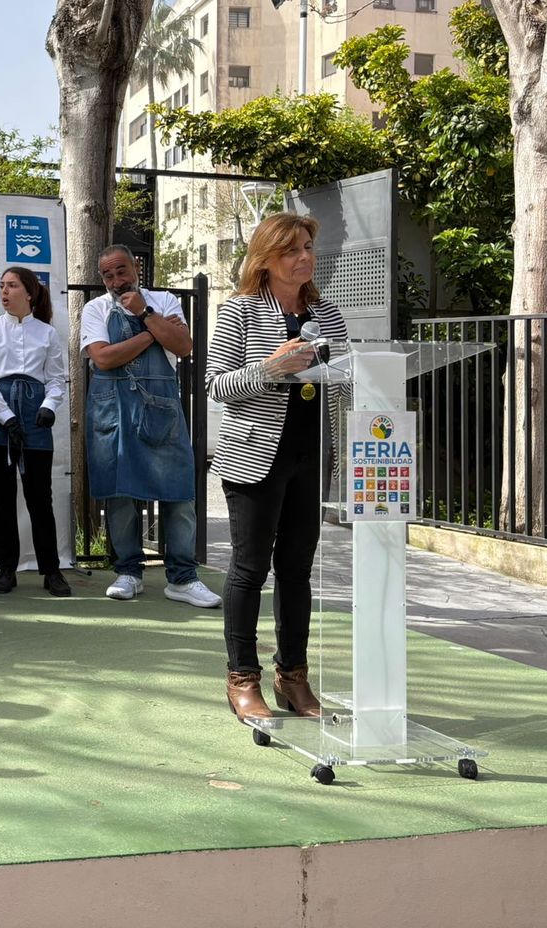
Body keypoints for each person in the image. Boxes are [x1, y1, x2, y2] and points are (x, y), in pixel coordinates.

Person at [205, 211, 348, 723]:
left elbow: (346, 379)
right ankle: (242, 679)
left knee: (296, 571)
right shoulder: (239, 312)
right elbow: (217, 385)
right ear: (266, 258)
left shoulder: (328, 313)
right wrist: (271, 368)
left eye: (309, 247)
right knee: (249, 569)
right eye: (293, 249)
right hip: (254, 457)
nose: (305, 257)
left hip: (311, 457)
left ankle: (293, 677)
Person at [81, 245, 221, 610]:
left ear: (136, 267)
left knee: (179, 493)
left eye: (121, 271)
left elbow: (184, 345)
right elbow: (103, 358)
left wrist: (144, 312)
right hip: (113, 410)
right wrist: (152, 333)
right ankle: (128, 572)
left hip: (160, 408)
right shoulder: (95, 309)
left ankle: (183, 578)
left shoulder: (165, 301)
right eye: (108, 275)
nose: (116, 280)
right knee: (119, 494)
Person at [0, 266, 70, 597]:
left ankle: (51, 570)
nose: (4, 291)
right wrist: (5, 417)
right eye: (2, 286)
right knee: (1, 497)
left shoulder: (47, 333)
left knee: (40, 495)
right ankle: (6, 569)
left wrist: (49, 407)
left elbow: (57, 378)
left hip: (35, 414)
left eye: (12, 286)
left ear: (29, 293)